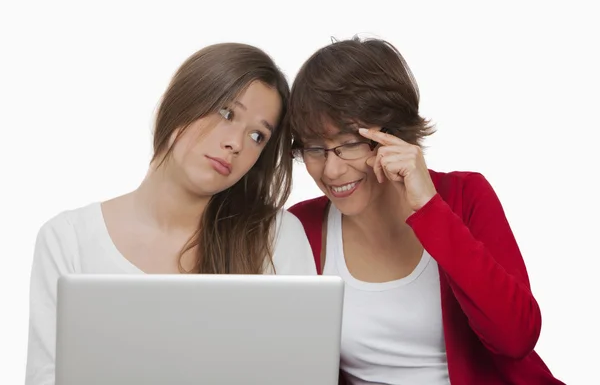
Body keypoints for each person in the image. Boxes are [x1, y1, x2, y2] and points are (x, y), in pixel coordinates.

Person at [25, 42, 316, 385]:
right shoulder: (68, 239)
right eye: (226, 113)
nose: (236, 143)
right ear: (182, 100)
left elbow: (306, 373)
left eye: (257, 135)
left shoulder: (276, 237)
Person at [287, 37, 564, 384]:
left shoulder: (465, 196)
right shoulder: (300, 228)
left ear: (393, 135)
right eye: (315, 148)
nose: (331, 171)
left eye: (349, 144)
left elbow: (516, 337)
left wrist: (429, 210)